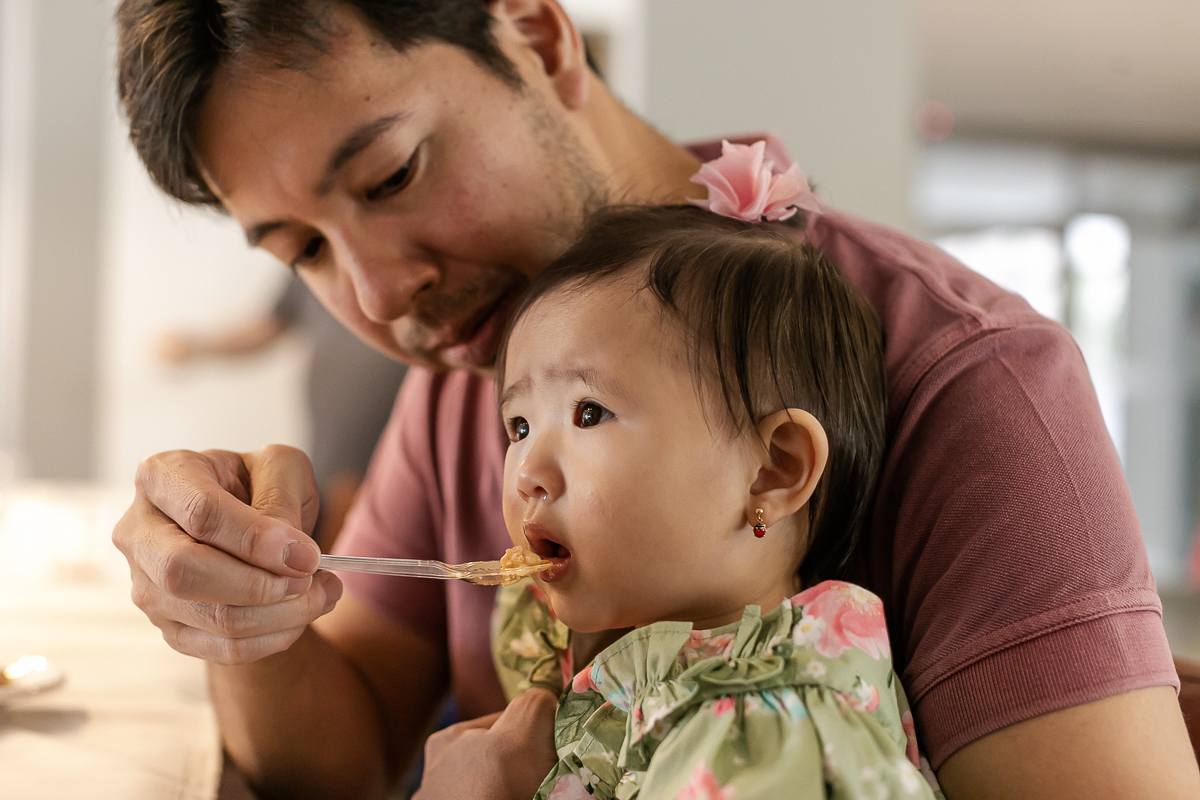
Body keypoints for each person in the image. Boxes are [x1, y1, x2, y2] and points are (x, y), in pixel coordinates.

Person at [108, 2, 1197, 799]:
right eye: (301, 248)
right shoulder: (471, 371)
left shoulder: (967, 376)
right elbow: (334, 764)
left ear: (537, 38)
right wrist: (235, 598)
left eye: (393, 174)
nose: (381, 295)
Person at [488, 201, 937, 799]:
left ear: (771, 472)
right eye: (518, 428)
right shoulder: (595, 653)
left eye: (588, 414)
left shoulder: (769, 738)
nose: (526, 474)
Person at [154, 272, 409, 551]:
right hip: (329, 449)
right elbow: (270, 324)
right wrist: (199, 346)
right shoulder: (306, 268)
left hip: (388, 442)